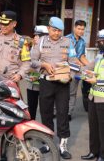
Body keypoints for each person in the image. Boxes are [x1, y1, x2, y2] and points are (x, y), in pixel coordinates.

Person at [31, 17, 77, 159]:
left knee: (63, 113)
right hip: (46, 83)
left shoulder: (68, 42)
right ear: (49, 29)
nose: (57, 33)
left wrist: (70, 76)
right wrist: (43, 65)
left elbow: (74, 63)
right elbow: (33, 61)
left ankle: (63, 145)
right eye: (54, 30)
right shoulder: (40, 42)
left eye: (59, 31)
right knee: (46, 113)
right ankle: (47, 141)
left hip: (63, 84)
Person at [81, 30, 104, 161]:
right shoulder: (99, 56)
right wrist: (78, 70)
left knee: (102, 128)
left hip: (103, 99)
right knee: (93, 127)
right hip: (93, 97)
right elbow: (89, 67)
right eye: (99, 41)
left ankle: (102, 154)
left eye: (101, 41)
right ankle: (93, 151)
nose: (99, 43)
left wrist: (97, 81)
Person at [66, 20, 89, 120]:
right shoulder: (66, 39)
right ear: (74, 28)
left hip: (75, 70)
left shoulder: (82, 42)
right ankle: (55, 111)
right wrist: (81, 66)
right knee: (60, 91)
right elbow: (72, 57)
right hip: (65, 68)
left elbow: (82, 57)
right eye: (79, 28)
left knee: (72, 92)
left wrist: (90, 67)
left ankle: (68, 113)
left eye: (82, 29)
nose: (80, 31)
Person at [26, 25, 48, 120]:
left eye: (38, 35)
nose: (35, 37)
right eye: (35, 35)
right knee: (31, 108)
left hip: (44, 82)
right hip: (31, 83)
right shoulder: (31, 46)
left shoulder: (48, 48)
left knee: (45, 109)